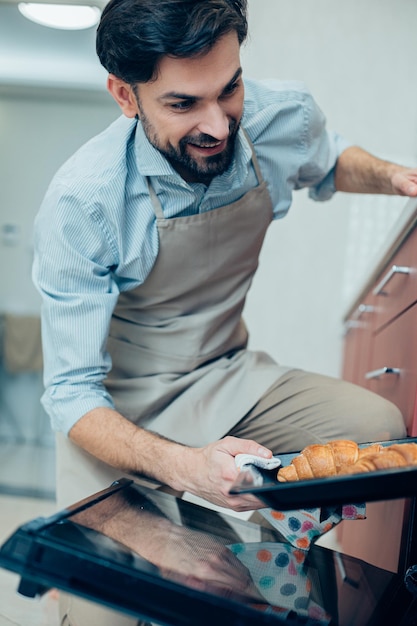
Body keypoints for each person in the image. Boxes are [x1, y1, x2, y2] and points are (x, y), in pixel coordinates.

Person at [32, 0, 417, 623]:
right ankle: (153, 534)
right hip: (111, 411)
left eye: (229, 88)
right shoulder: (84, 201)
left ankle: (245, 558)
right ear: (125, 97)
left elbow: (329, 158)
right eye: (183, 104)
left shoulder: (278, 114)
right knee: (106, 608)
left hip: (223, 373)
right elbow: (72, 394)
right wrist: (185, 469)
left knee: (376, 424)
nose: (219, 123)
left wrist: (396, 176)